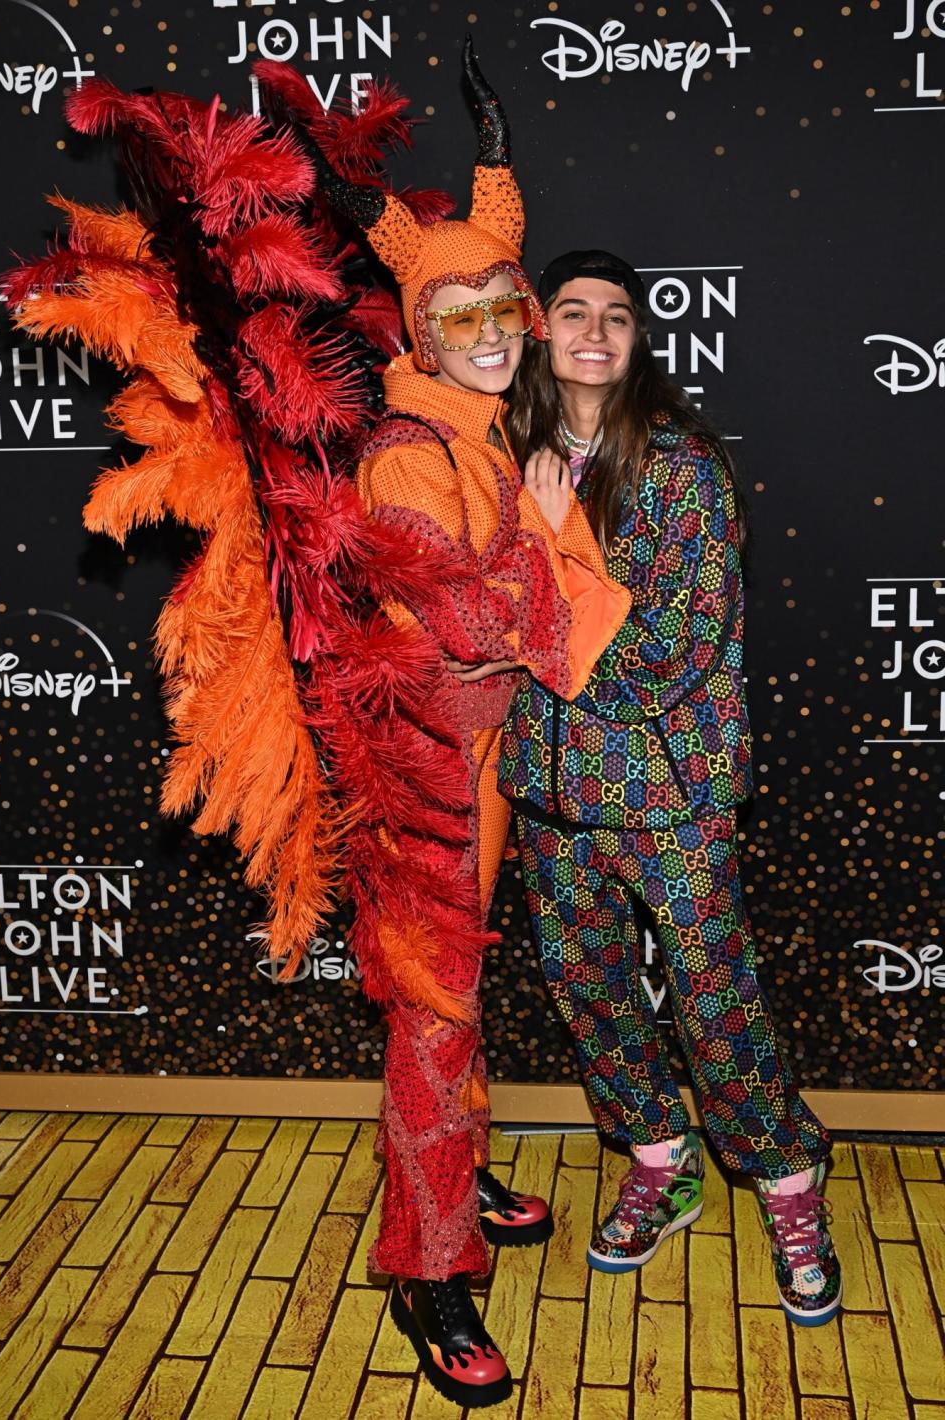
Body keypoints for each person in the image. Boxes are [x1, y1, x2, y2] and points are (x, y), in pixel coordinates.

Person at [308, 65, 632, 1405]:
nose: (500, 331)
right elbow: (476, 619)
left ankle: (454, 1161)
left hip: (480, 767)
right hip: (426, 781)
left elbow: (519, 622)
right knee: (434, 1022)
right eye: (465, 314)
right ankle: (431, 1271)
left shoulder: (484, 427)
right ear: (419, 333)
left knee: (455, 1005)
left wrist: (496, 172)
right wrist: (555, 534)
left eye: (510, 306)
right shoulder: (405, 453)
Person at [497, 249, 843, 1328]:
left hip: (670, 788)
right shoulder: (501, 448)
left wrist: (549, 553)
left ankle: (788, 1184)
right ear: (540, 329)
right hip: (549, 790)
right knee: (587, 981)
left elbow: (673, 647)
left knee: (712, 991)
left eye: (616, 315)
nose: (593, 330)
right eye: (572, 311)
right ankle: (658, 1154)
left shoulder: (680, 465)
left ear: (638, 339)